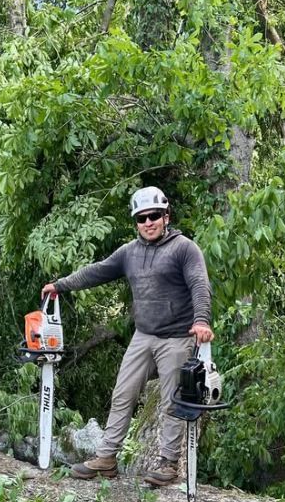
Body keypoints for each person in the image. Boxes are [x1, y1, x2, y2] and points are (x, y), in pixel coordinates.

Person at [41, 185, 214, 486]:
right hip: (143, 335)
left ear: (166, 216)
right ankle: (106, 459)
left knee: (171, 400)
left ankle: (168, 464)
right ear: (136, 222)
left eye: (154, 216)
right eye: (142, 218)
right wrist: (61, 285)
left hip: (177, 337)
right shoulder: (129, 253)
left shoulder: (184, 248)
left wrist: (201, 320)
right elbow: (97, 271)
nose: (148, 222)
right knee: (123, 393)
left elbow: (200, 285)